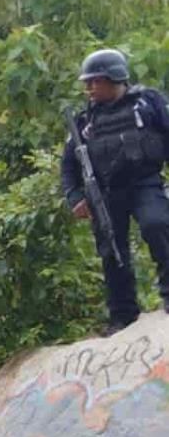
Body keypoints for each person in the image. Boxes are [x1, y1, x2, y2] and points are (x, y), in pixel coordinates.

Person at [61, 48, 169, 334]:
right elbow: (69, 165)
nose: (89, 88)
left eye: (95, 81)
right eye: (87, 82)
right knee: (111, 250)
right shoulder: (85, 122)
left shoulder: (148, 104)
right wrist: (75, 197)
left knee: (157, 225)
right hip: (107, 193)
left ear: (115, 78)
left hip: (145, 182)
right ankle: (123, 315)